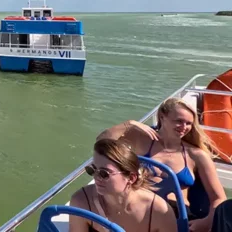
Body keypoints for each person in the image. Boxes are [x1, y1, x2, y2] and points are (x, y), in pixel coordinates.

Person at [97, 97, 226, 231]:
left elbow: (218, 198)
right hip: (139, 212)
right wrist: (129, 124)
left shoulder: (196, 155)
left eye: (189, 123)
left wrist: (207, 222)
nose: (184, 127)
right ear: (162, 117)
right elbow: (101, 142)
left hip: (177, 216)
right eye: (179, 121)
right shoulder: (141, 140)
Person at [69, 138, 177, 232]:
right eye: (92, 170)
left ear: (131, 178)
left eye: (104, 173)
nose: (96, 177)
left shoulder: (157, 211)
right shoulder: (81, 202)